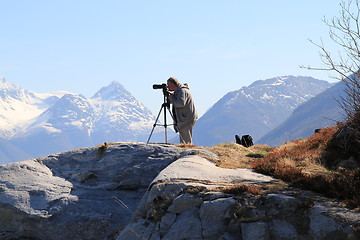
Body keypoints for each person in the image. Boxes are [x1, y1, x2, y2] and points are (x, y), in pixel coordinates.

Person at [167, 77, 198, 144]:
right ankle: (185, 148)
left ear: (173, 84)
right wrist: (171, 97)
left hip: (186, 118)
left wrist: (171, 98)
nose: (167, 87)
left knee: (186, 138)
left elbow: (180, 103)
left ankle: (188, 150)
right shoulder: (179, 91)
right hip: (185, 117)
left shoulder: (182, 91)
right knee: (183, 136)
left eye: (168, 85)